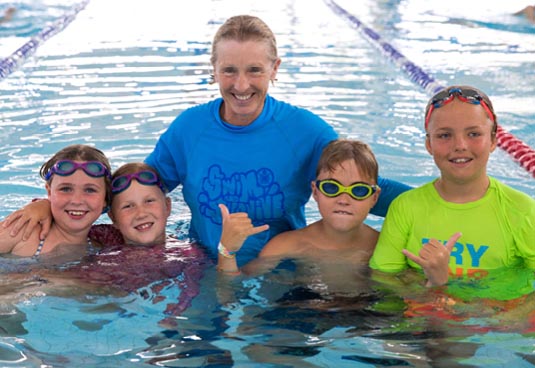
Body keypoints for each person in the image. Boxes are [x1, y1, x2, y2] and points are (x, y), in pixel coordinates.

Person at [3, 15, 411, 266]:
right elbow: (134, 190)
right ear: (212, 70)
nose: (241, 85)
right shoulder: (190, 129)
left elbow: (362, 186)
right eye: (229, 70)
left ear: (275, 68)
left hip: (281, 272)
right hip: (203, 268)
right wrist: (50, 204)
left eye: (254, 70)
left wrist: (447, 206)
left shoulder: (304, 131)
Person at [369, 85, 535, 288]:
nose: (460, 145)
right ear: (429, 144)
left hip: (501, 319)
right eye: (444, 135)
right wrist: (437, 285)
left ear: (493, 140)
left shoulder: (522, 211)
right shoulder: (404, 209)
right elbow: (384, 286)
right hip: (426, 318)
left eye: (473, 134)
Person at [217, 139, 382, 276]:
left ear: (374, 197)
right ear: (315, 192)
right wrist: (227, 251)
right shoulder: (287, 245)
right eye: (331, 187)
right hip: (305, 309)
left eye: (359, 190)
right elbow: (235, 290)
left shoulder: (384, 246)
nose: (344, 200)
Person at [0, 144, 111, 258]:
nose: (77, 201)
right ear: (49, 192)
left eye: (90, 190)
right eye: (65, 189)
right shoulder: (24, 229)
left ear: (105, 199)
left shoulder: (100, 248)